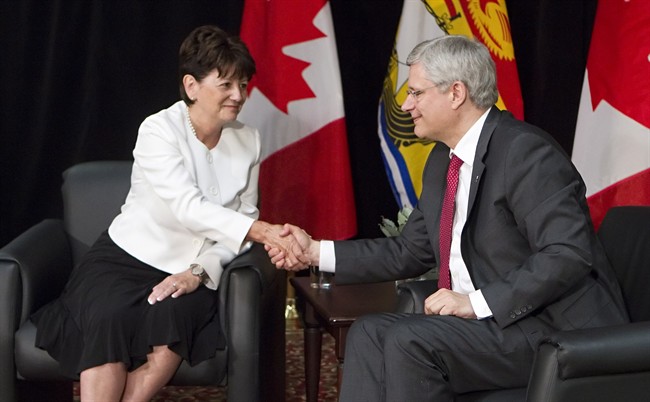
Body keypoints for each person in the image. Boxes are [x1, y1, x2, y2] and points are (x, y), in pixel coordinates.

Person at [268, 35, 628, 401]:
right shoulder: (443, 161)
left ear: (456, 93)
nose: (406, 105)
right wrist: (314, 252)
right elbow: (408, 252)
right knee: (369, 333)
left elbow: (567, 254)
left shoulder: (525, 152)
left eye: (417, 93)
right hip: (494, 326)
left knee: (410, 341)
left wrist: (476, 302)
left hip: (547, 326)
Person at [32, 25, 305, 402]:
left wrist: (200, 271)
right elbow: (188, 207)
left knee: (175, 321)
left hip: (191, 266)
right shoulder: (158, 130)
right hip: (126, 258)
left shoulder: (249, 139)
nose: (238, 95)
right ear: (191, 86)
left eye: (243, 84)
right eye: (226, 84)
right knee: (106, 321)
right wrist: (261, 230)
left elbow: (239, 221)